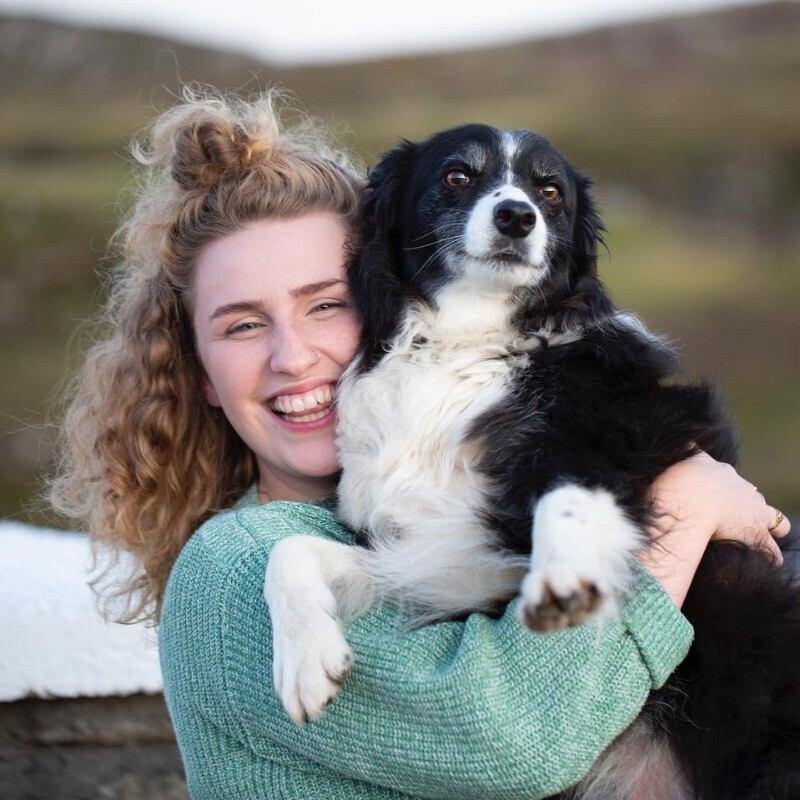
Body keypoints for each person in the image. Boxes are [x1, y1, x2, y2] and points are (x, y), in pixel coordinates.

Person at [50, 88, 790, 799]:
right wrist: (686, 512)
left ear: (379, 292)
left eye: (325, 306)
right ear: (200, 373)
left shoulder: (371, 516)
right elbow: (520, 741)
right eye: (242, 325)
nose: (292, 357)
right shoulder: (233, 573)